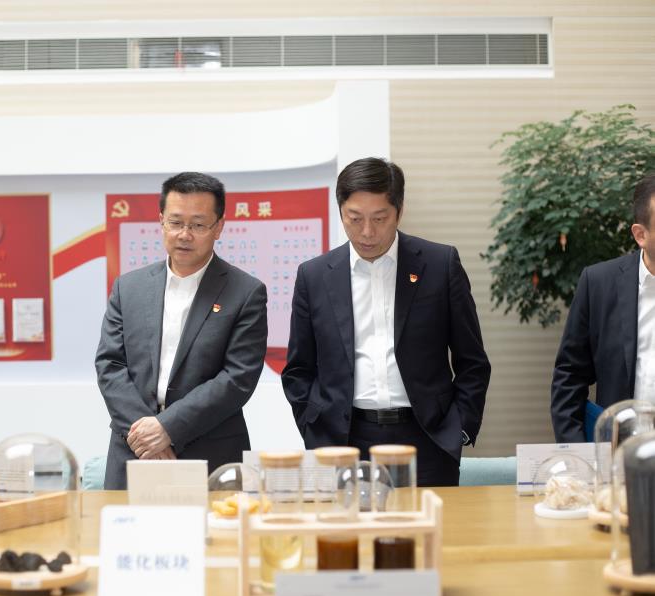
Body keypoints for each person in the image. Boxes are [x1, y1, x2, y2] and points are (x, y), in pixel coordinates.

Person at [282, 157, 491, 486]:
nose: (367, 232)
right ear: (341, 211)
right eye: (355, 219)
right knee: (349, 522)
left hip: (427, 438)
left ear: (399, 211)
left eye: (380, 218)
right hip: (344, 440)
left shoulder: (439, 264)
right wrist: (314, 429)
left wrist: (459, 429)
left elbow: (472, 361)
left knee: (431, 521)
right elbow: (298, 368)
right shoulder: (314, 276)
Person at [95, 172, 268, 489]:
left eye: (198, 225)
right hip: (134, 448)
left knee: (213, 524)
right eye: (175, 222)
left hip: (210, 451)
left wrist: (168, 427)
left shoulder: (245, 292)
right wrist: (147, 434)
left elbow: (237, 377)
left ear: (219, 227)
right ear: (161, 220)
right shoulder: (129, 287)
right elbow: (110, 364)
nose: (184, 235)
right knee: (128, 524)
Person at [551, 174, 655, 442]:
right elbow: (569, 378)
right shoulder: (599, 283)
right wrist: (579, 453)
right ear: (640, 234)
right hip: (621, 453)